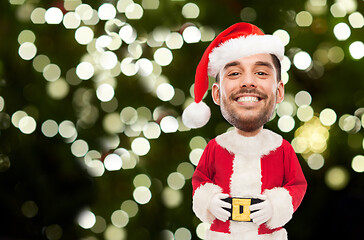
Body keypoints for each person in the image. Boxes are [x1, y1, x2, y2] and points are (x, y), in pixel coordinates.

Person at [182, 22, 307, 240]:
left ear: (278, 92)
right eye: (234, 73)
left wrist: (275, 206)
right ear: (216, 94)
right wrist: (209, 201)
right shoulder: (215, 148)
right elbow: (199, 182)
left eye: (260, 72)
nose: (248, 82)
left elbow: (296, 186)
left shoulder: (282, 149)